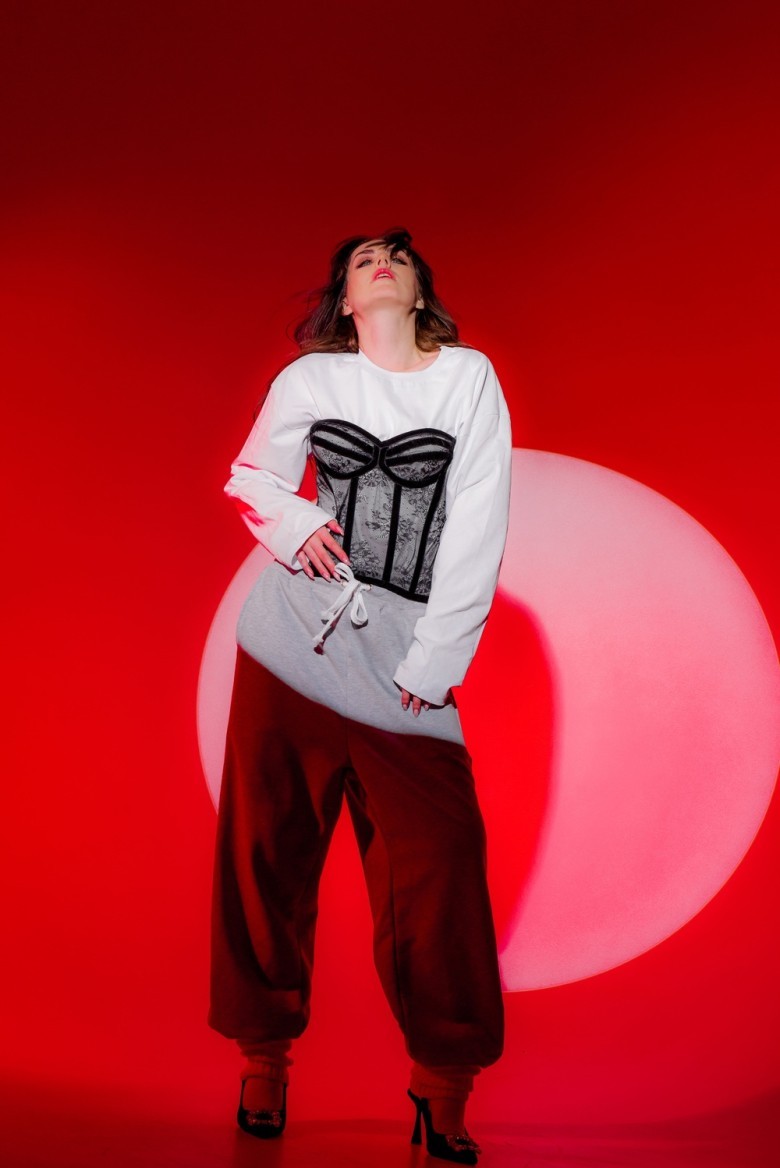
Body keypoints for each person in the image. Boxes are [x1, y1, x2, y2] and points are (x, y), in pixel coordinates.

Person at [208, 226, 512, 1165]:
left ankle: (442, 1083)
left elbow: (480, 520)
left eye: (399, 257)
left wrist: (434, 662)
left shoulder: (468, 378)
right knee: (266, 850)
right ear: (346, 298)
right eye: (362, 260)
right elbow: (251, 476)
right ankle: (263, 1059)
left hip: (404, 659)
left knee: (440, 869)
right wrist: (296, 521)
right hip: (289, 644)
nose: (381, 263)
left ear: (419, 292)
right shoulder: (311, 379)